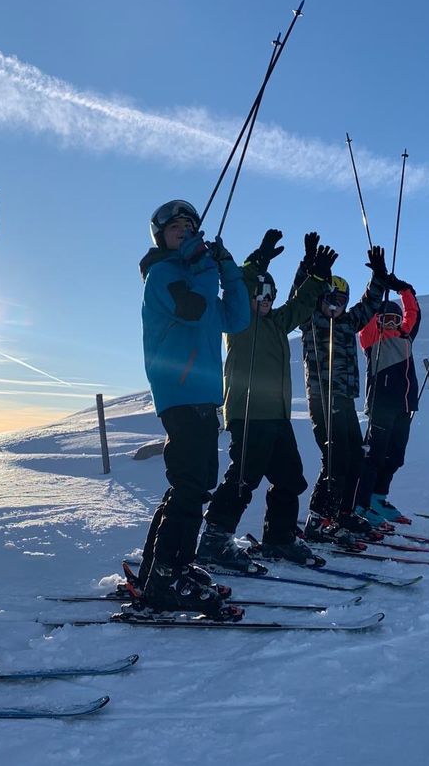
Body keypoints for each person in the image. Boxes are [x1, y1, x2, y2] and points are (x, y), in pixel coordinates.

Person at [134, 199, 250, 616]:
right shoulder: (163, 275)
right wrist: (202, 267)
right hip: (179, 393)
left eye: (189, 224)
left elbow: (236, 319)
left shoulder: (198, 276)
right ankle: (165, 576)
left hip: (203, 396)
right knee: (189, 485)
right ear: (161, 236)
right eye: (175, 226)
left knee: (196, 483)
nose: (184, 229)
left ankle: (165, 566)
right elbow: (192, 308)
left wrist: (228, 268)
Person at [197, 230, 336, 569]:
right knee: (244, 478)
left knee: (291, 478)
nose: (267, 299)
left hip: (276, 416)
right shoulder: (240, 323)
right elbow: (241, 283)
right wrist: (257, 259)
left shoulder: (277, 323)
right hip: (248, 413)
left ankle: (280, 538)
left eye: (270, 294)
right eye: (260, 294)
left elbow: (301, 305)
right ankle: (214, 540)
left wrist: (316, 279)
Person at [294, 236, 389, 541]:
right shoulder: (311, 321)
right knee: (335, 460)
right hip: (322, 400)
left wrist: (378, 274)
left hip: (345, 400)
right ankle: (319, 519)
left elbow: (373, 302)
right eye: (328, 300)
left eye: (340, 301)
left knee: (354, 459)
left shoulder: (349, 322)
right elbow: (301, 296)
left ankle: (343, 515)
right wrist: (309, 264)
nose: (334, 306)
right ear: (320, 301)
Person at [355, 274, 421, 525]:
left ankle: (378, 498)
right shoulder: (371, 339)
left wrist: (403, 289)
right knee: (374, 456)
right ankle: (361, 503)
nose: (391, 323)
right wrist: (378, 283)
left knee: (395, 456)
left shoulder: (406, 336)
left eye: (395, 318)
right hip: (381, 407)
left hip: (405, 407)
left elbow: (413, 312)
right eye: (385, 319)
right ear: (378, 321)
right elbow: (369, 316)